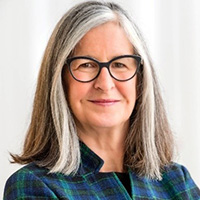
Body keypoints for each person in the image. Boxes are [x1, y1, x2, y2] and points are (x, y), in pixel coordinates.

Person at [3, 1, 200, 199]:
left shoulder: (177, 181)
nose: (105, 84)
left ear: (141, 80)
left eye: (120, 64)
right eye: (86, 64)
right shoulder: (33, 185)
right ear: (59, 80)